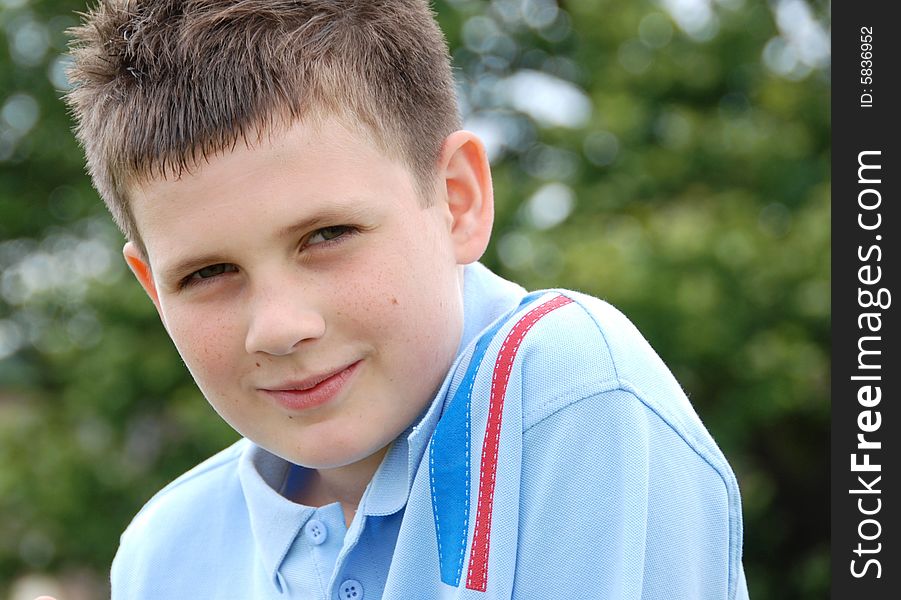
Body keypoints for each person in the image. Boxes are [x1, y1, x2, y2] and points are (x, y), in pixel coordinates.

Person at [62, 1, 750, 598]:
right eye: (207, 273)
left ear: (457, 200)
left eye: (327, 234)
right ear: (154, 290)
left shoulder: (567, 390)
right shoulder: (164, 551)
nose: (277, 328)